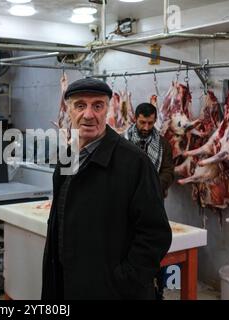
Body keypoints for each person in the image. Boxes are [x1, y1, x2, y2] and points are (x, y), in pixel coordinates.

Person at [41, 78, 172, 300]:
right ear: (69, 111)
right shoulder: (66, 158)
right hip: (66, 285)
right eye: (80, 105)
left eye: (98, 106)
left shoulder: (134, 163)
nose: (89, 114)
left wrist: (123, 280)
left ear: (107, 110)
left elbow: (155, 235)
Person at [123, 102, 175, 300]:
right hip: (125, 206)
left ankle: (156, 291)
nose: (146, 127)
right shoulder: (123, 142)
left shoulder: (163, 144)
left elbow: (169, 171)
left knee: (152, 250)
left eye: (150, 123)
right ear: (135, 119)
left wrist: (152, 187)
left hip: (153, 205)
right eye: (142, 122)